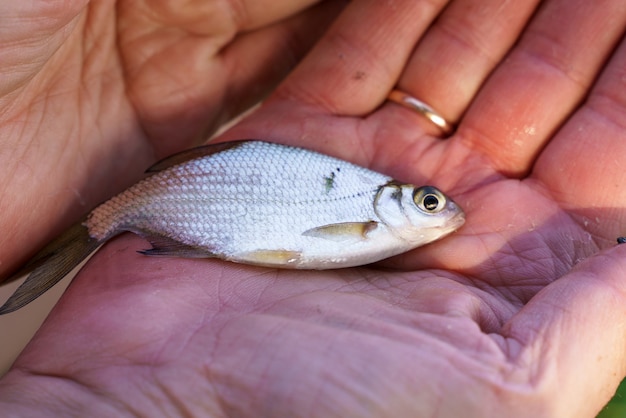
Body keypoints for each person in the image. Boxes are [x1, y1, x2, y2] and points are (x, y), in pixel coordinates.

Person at [0, 0, 625, 416]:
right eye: (429, 202)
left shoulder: (372, 216)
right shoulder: (370, 220)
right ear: (392, 203)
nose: (442, 211)